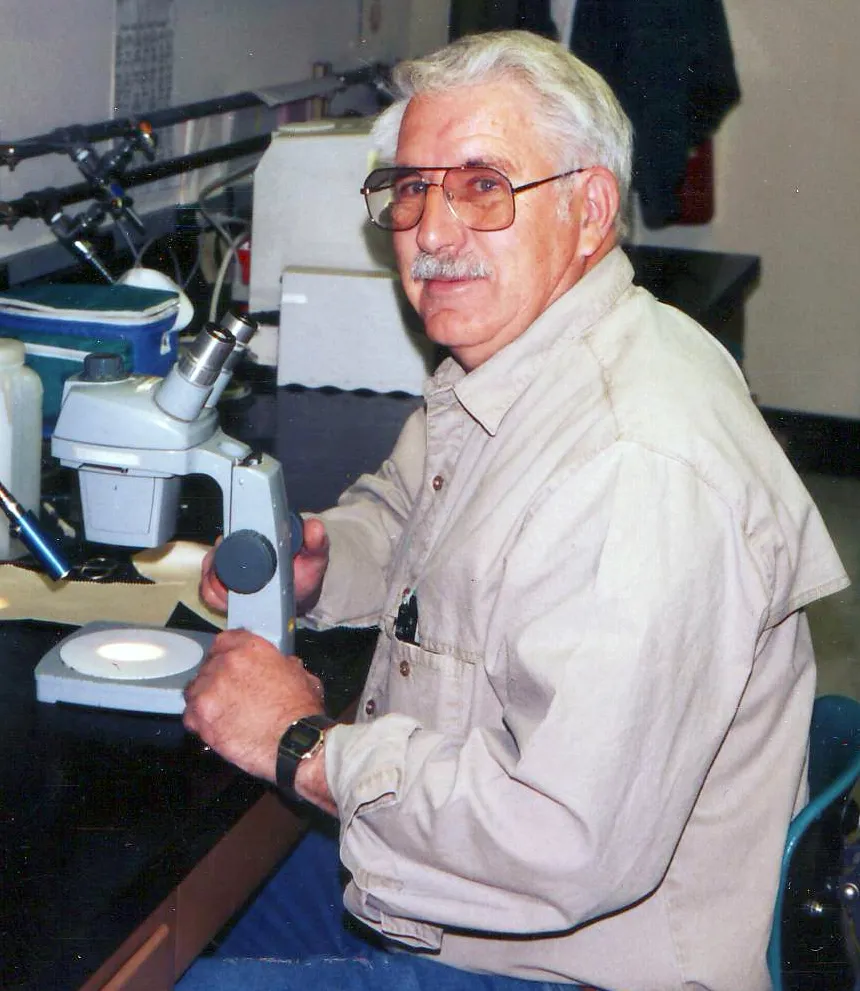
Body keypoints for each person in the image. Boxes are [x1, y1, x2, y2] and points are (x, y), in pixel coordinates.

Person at [179, 29, 849, 991]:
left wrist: (302, 743)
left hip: (564, 958)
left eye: (483, 185)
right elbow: (411, 504)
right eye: (411, 188)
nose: (433, 230)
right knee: (193, 926)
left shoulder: (637, 463)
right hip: (478, 884)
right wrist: (335, 555)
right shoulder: (522, 357)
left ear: (589, 209)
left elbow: (558, 840)